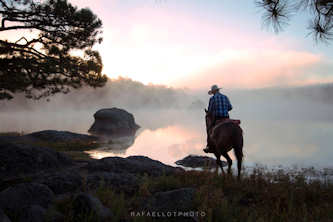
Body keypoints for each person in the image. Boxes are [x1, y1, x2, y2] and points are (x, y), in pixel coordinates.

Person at [203, 84, 233, 153]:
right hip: (226, 118)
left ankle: (209, 146)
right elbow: (230, 107)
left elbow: (210, 111)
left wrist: (212, 112)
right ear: (218, 90)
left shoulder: (212, 99)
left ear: (213, 92)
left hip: (217, 118)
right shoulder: (225, 97)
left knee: (209, 130)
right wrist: (224, 110)